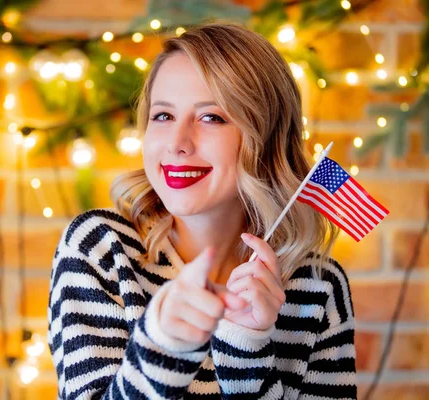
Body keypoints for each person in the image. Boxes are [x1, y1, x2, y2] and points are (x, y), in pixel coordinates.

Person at [48, 23, 357, 400]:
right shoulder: (100, 250)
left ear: (266, 137)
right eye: (163, 116)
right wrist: (162, 343)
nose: (177, 143)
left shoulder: (317, 286)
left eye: (211, 117)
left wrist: (246, 346)